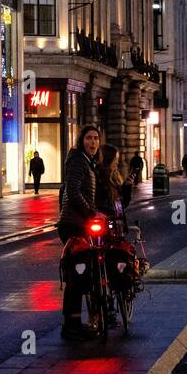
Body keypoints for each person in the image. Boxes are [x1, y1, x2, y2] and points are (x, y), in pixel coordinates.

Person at [57, 126, 103, 340]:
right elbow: (73, 191)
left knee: (79, 274)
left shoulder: (87, 161)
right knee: (77, 275)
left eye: (95, 138)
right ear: (81, 140)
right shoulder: (78, 161)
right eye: (88, 138)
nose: (92, 142)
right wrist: (92, 212)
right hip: (73, 224)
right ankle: (71, 327)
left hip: (77, 223)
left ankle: (74, 322)